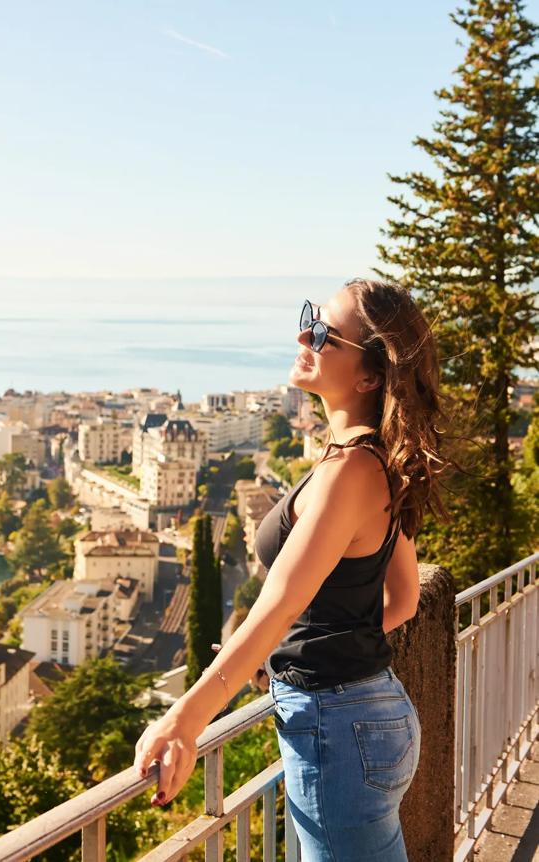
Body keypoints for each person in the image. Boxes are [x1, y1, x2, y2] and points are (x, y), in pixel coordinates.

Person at [134, 278, 456, 861]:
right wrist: (295, 657)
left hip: (338, 725)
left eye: (324, 332)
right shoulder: (375, 461)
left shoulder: (350, 472)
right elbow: (402, 601)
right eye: (310, 319)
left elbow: (280, 603)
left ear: (369, 376)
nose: (303, 335)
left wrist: (185, 721)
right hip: (374, 713)